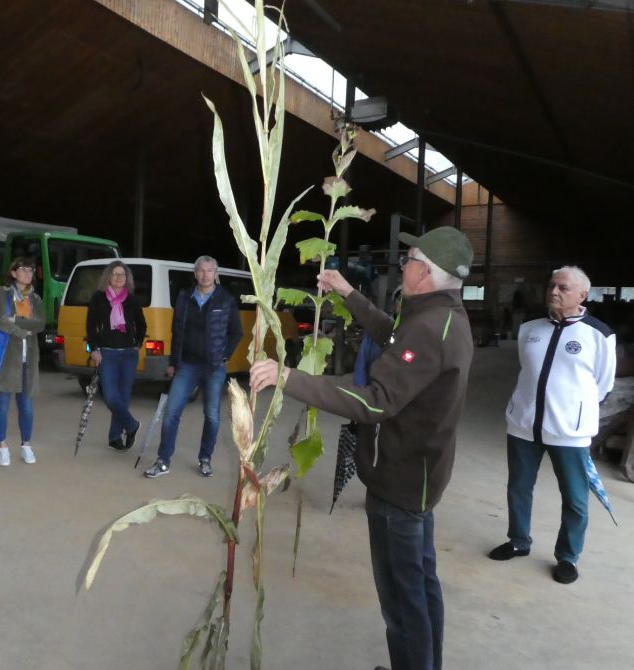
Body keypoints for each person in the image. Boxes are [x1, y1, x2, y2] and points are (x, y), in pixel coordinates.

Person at [250, 226, 474, 670]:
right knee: (422, 585)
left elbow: (375, 400)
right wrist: (349, 293)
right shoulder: (440, 316)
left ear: (425, 274)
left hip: (400, 481)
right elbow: (393, 337)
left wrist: (289, 378)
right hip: (420, 477)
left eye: (410, 259)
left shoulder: (430, 329)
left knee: (402, 598)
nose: (404, 265)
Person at [488, 266, 615, 585]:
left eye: (563, 288)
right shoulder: (530, 328)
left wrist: (574, 410)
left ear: (582, 296)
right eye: (551, 286)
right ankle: (518, 541)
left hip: (569, 432)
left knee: (574, 497)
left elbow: (603, 384)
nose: (554, 292)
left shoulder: (599, 334)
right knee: (518, 486)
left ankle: (568, 557)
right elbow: (526, 369)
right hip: (524, 425)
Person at [144, 255, 242, 478]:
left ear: (216, 273)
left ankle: (205, 458)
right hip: (187, 364)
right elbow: (176, 331)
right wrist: (172, 363)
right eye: (201, 270)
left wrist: (225, 356)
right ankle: (163, 460)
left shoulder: (225, 299)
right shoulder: (184, 297)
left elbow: (237, 332)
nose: (205, 275)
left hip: (214, 367)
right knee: (171, 413)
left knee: (212, 416)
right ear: (194, 273)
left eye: (209, 270)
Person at [0, 257, 45, 467]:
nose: (28, 273)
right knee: (1, 404)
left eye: (30, 270)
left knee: (26, 406)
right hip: (5, 358)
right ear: (13, 272)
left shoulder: (35, 299)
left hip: (28, 359)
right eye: (23, 269)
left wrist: (15, 320)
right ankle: (2, 446)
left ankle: (26, 445)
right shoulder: (1, 293)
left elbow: (40, 324)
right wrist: (22, 332)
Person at [86, 261, 147, 450]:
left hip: (129, 354)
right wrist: (94, 349)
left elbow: (142, 324)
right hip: (107, 353)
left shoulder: (132, 299)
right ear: (108, 277)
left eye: (122, 274)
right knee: (111, 396)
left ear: (127, 278)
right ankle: (131, 425)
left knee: (123, 397)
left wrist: (137, 344)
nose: (119, 278)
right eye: (115, 274)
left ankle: (114, 436)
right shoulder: (99, 298)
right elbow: (90, 326)